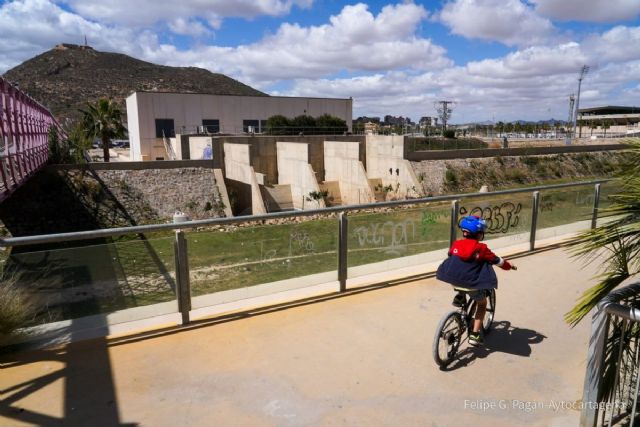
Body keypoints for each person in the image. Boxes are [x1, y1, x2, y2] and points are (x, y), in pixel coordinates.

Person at [436, 215, 515, 346]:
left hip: (452, 279)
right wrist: (509, 266)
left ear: (464, 232)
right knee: (482, 304)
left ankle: (460, 297)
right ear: (479, 234)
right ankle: (475, 334)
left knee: (460, 275)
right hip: (471, 284)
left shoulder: (456, 244)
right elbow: (498, 261)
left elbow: (451, 256)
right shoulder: (481, 248)